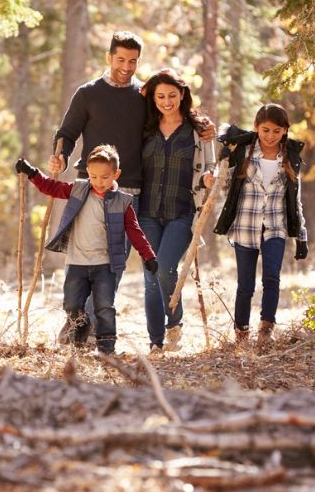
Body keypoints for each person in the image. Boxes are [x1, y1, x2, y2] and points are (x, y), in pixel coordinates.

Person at [49, 31, 216, 345]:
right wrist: (60, 155)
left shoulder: (143, 95)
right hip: (91, 189)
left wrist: (205, 127)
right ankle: (78, 321)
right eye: (121, 59)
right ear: (109, 57)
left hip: (132, 194)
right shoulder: (88, 93)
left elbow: (174, 116)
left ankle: (87, 325)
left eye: (133, 61)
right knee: (87, 259)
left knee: (115, 263)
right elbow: (67, 133)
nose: (126, 66)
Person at [16, 145, 158, 355]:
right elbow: (51, 187)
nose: (99, 182)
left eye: (104, 177)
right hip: (77, 263)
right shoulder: (79, 190)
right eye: (93, 176)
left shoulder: (123, 202)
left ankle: (106, 347)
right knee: (71, 304)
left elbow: (134, 230)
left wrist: (148, 255)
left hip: (105, 265)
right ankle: (80, 327)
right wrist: (32, 173)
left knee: (104, 307)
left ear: (116, 174)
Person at [213, 103, 308, 348]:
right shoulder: (243, 153)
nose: (270, 136)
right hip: (245, 226)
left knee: (272, 278)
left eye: (277, 131)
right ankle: (241, 332)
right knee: (245, 284)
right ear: (256, 127)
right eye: (265, 130)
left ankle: (266, 329)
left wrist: (301, 236)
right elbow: (224, 187)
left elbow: (295, 200)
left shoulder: (290, 159)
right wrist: (221, 166)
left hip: (275, 227)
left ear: (285, 131)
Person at [138, 69, 216, 354]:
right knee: (150, 276)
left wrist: (209, 177)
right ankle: (155, 341)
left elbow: (211, 164)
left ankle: (174, 323)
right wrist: (146, 89)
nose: (166, 101)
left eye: (172, 95)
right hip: (146, 212)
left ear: (182, 94)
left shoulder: (198, 130)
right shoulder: (145, 127)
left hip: (182, 212)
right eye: (160, 96)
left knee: (165, 268)